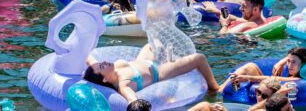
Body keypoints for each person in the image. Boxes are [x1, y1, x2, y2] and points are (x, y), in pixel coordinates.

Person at [83, 43, 220, 104]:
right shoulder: (124, 84)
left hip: (141, 61)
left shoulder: (113, 69)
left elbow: (90, 58)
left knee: (153, 44)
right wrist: (136, 105)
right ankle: (215, 87)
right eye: (102, 65)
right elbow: (131, 99)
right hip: (157, 72)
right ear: (106, 79)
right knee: (199, 58)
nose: (104, 61)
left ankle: (168, 58)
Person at [222, 47, 306, 92]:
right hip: (270, 89)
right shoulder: (293, 69)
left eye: (293, 62)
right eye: (288, 61)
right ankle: (221, 89)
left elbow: (275, 79)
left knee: (247, 70)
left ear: (303, 64)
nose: (289, 65)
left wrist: (247, 78)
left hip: (272, 95)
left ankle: (219, 92)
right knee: (249, 66)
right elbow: (295, 55)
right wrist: (281, 62)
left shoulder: (299, 79)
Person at [203, 0, 269, 35]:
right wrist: (217, 11)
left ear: (255, 9)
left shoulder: (249, 25)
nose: (240, 9)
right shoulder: (261, 21)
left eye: (244, 6)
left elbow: (223, 36)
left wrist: (224, 25)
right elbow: (237, 19)